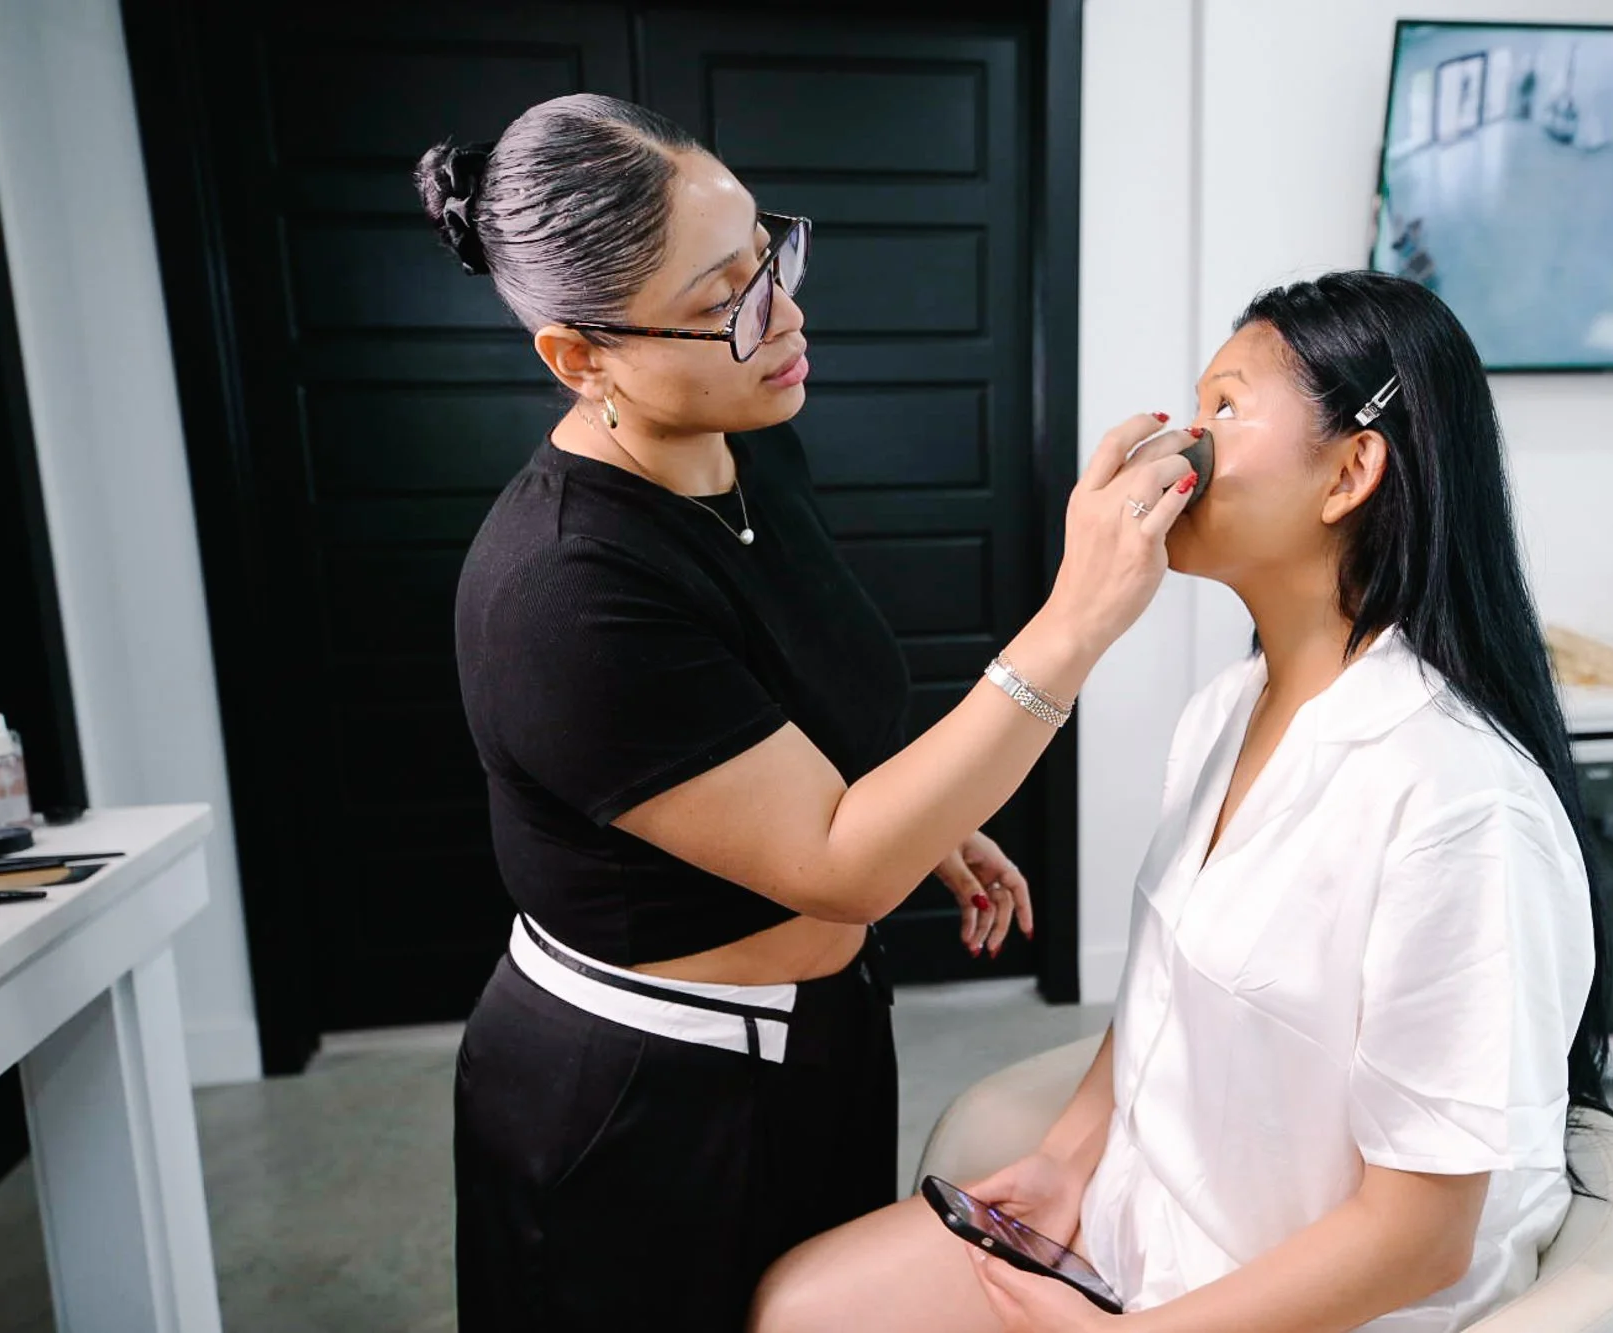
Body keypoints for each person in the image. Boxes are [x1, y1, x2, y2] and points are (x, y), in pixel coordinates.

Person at [420, 94, 1202, 1332]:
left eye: (768, 258)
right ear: (580, 357)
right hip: (639, 1091)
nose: (783, 315)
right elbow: (838, 863)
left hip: (820, 1030)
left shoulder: (746, 435)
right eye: (723, 301)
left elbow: (791, 699)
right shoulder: (559, 590)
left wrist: (910, 807)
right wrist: (1077, 620)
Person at [751, 271, 1613, 1333]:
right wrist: (1063, 1159)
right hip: (1147, 1232)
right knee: (795, 1302)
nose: (1182, 440)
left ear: (1351, 470)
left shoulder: (1456, 804)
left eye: (1224, 407)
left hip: (1294, 1303)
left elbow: (1418, 1236)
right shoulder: (1228, 708)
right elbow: (1163, 993)